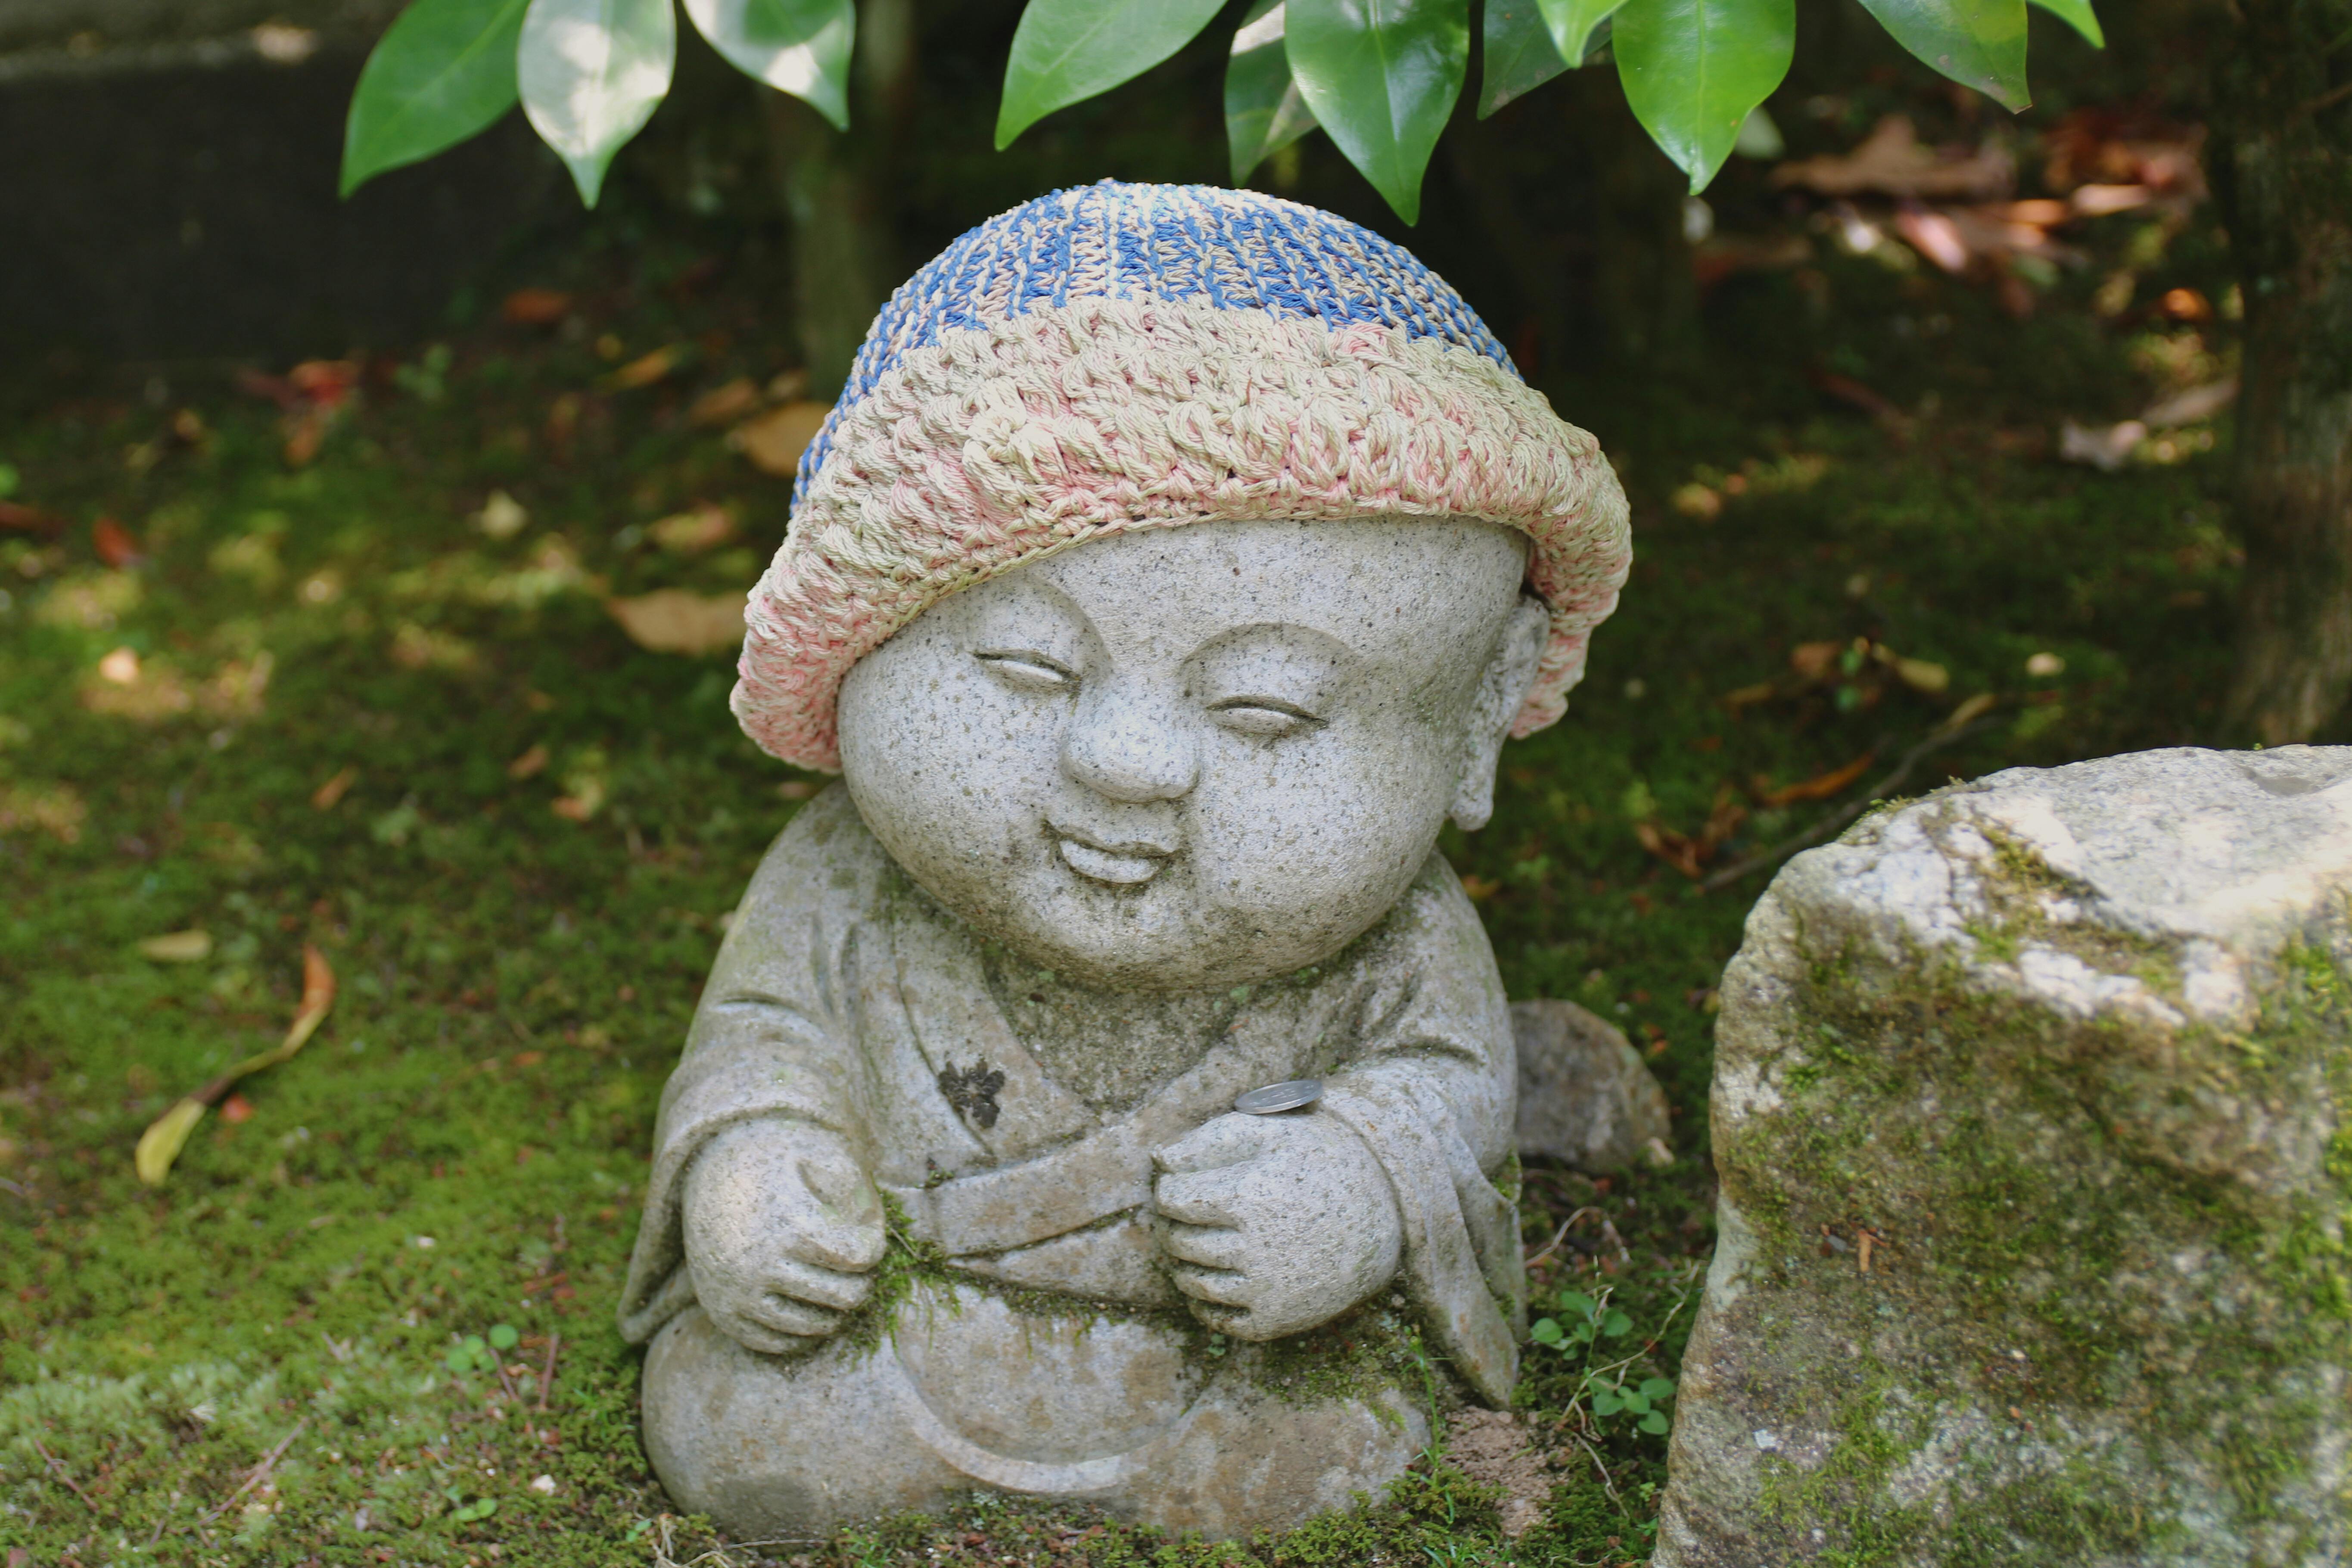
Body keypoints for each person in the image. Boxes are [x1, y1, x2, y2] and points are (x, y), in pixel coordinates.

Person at [617, 180, 1631, 1540]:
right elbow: (762, 1039)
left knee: (1326, 1453)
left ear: (1474, 719)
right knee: (742, 1427)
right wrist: (757, 1168)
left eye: (1264, 707)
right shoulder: (842, 876)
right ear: (856, 655)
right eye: (1028, 665)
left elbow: (1436, 1095)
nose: (1124, 763)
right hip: (897, 1342)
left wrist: (1355, 1190)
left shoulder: (1400, 942)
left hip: (1236, 1369)